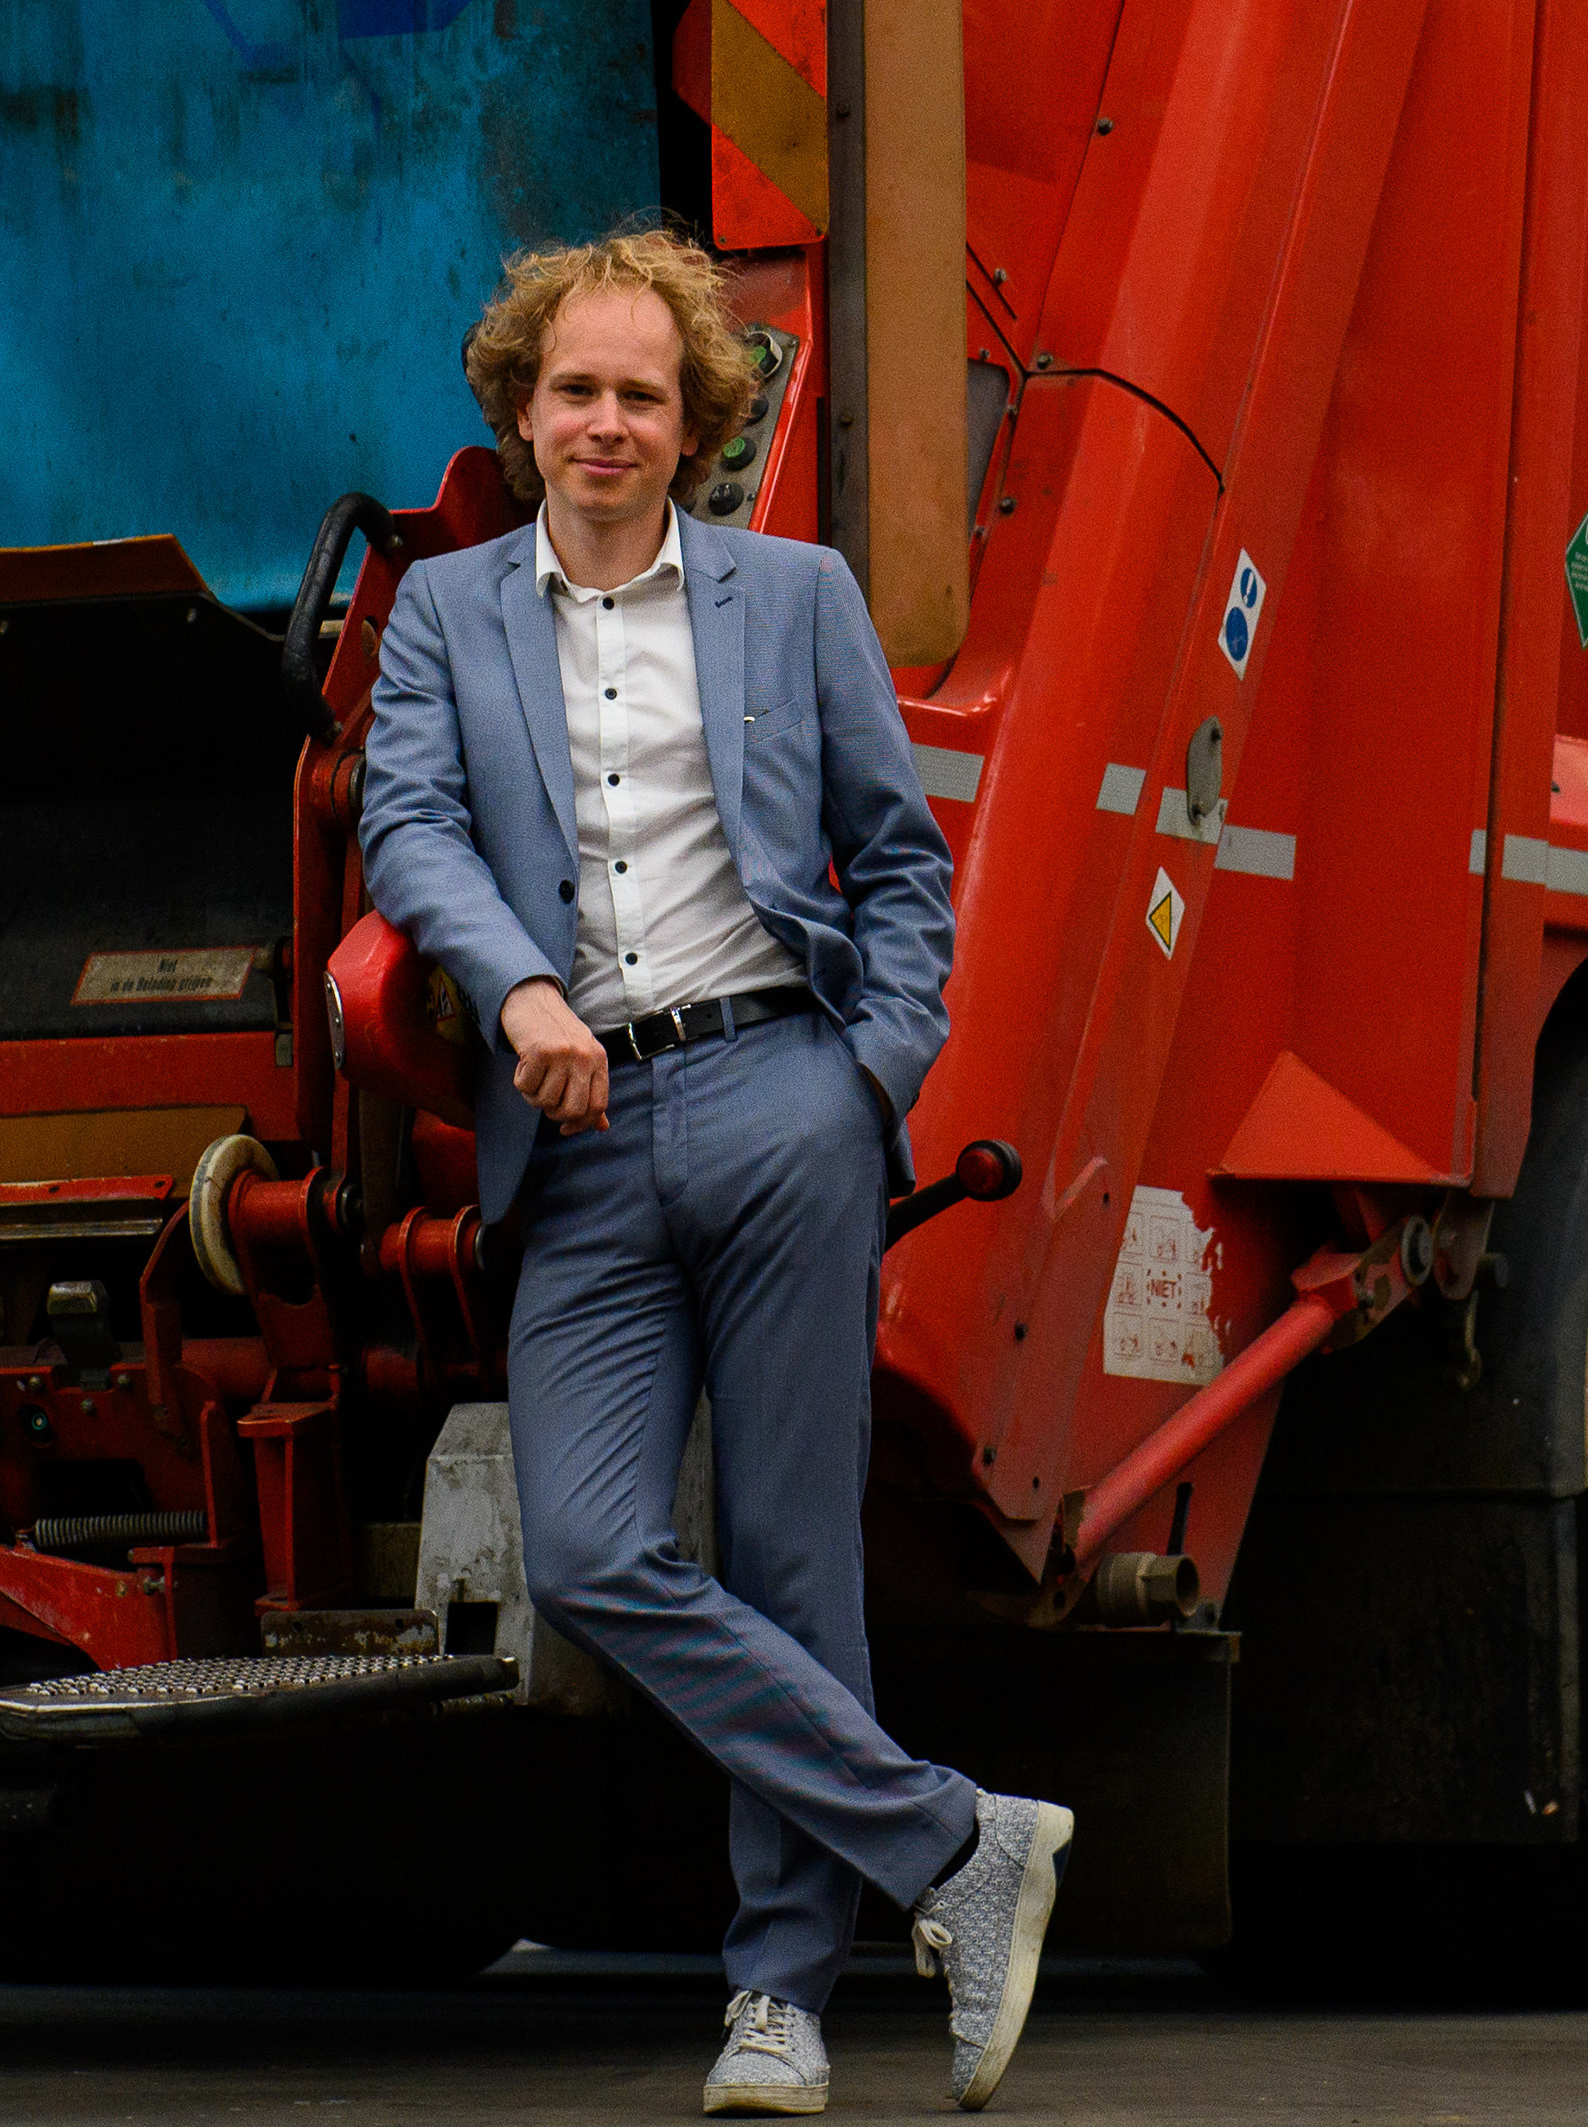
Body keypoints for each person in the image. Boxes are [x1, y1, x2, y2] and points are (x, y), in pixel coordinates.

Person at [358, 225, 1068, 2117]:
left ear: (697, 425)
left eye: (643, 395)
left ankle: (782, 2004)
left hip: (779, 1100)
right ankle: (955, 1844)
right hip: (576, 1144)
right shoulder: (448, 618)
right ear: (522, 409)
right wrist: (513, 988)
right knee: (592, 1555)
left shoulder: (796, 595)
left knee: (794, 1557)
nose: (605, 422)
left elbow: (898, 860)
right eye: (574, 389)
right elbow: (406, 825)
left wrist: (870, 1079)